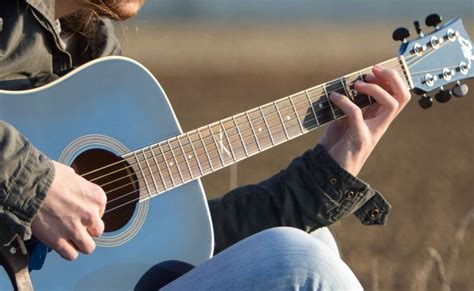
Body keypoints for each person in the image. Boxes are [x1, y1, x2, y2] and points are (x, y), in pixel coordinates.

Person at [0, 0, 410, 289]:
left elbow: (176, 246)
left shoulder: (100, 57)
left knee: (311, 242)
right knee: (303, 259)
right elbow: (37, 183)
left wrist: (325, 176)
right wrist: (37, 184)